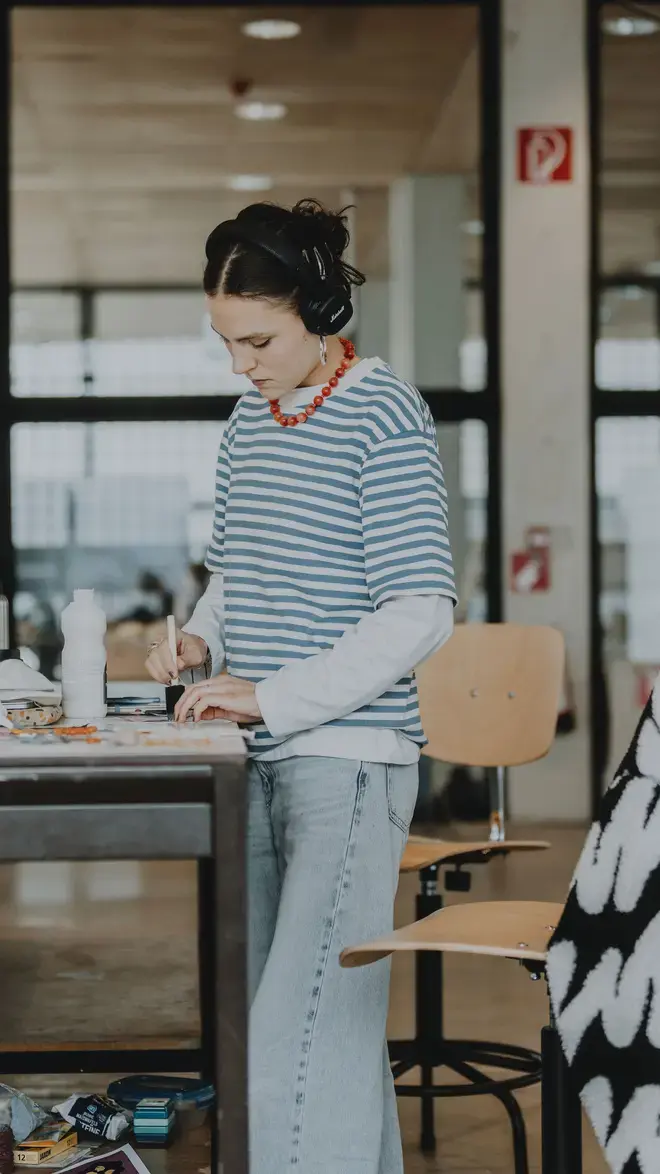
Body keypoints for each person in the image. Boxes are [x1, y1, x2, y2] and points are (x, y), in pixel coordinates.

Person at [145, 199, 457, 1174]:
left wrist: (270, 696)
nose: (243, 364)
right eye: (226, 343)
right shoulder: (251, 421)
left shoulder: (383, 410)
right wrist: (196, 643)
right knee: (321, 1034)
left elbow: (420, 610)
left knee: (290, 1039)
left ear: (320, 309)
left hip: (349, 760)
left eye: (260, 340)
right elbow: (235, 577)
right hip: (261, 759)